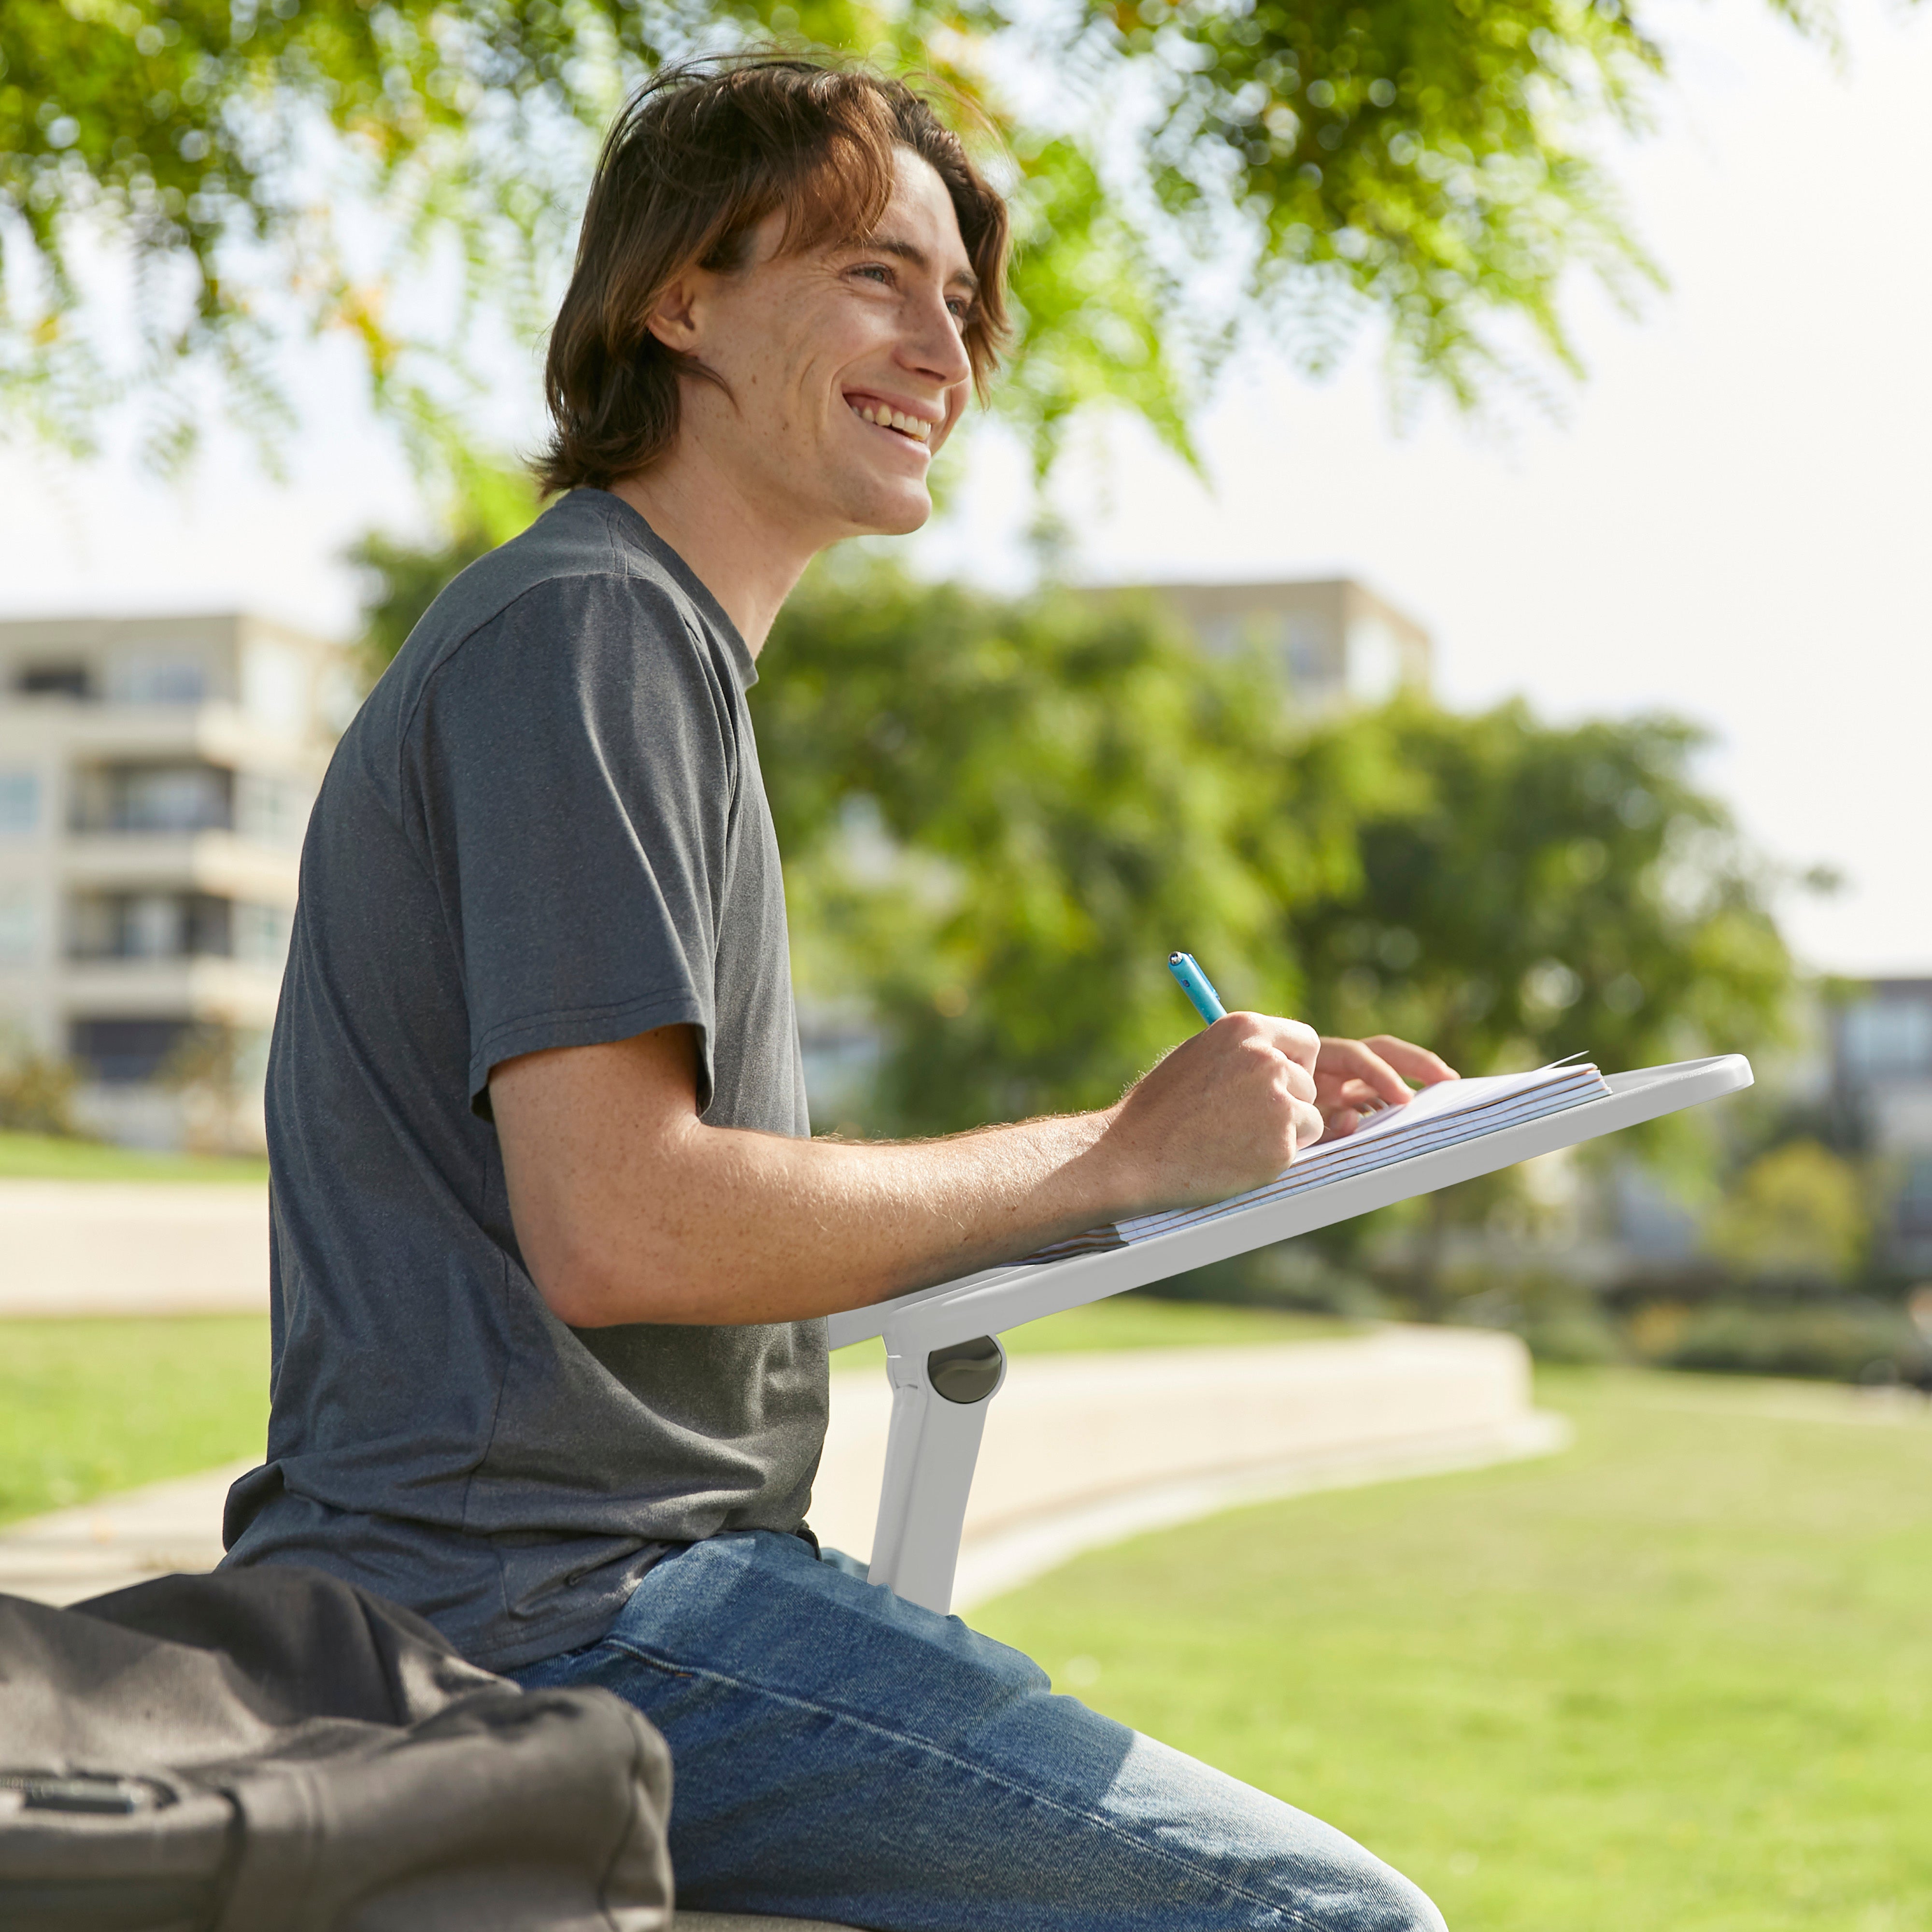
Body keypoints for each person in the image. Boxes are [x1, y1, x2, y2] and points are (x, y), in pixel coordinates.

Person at [223, 56, 1457, 1930]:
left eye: (959, 303)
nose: (943, 349)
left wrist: (1202, 1156)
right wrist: (1115, 1148)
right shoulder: (591, 630)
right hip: (539, 1622)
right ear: (679, 295)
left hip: (570, 1593)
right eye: (877, 274)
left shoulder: (640, 649)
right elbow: (624, 1225)